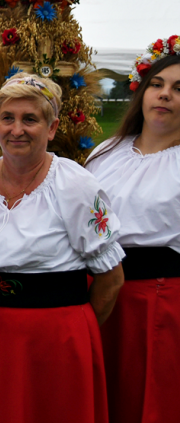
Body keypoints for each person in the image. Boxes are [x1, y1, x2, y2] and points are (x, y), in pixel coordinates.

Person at [0, 75, 125, 423]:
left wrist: (72, 335)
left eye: (30, 119)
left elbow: (111, 279)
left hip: (56, 342)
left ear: (52, 129)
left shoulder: (74, 183)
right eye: (8, 118)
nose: (16, 129)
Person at [85, 38, 180, 423]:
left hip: (156, 300)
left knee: (147, 399)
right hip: (96, 293)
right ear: (142, 90)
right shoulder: (107, 151)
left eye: (179, 89)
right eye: (158, 84)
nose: (165, 95)